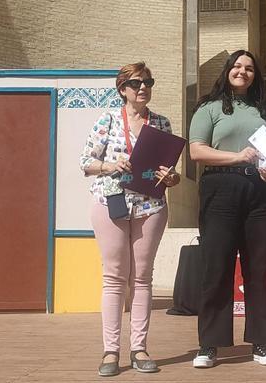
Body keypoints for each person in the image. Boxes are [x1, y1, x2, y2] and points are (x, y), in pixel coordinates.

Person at [79, 62, 180, 377]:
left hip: (150, 205)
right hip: (112, 202)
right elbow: (85, 161)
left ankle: (139, 348)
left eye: (148, 82)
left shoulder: (161, 123)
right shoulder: (107, 121)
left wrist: (172, 178)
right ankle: (111, 351)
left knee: (142, 277)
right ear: (122, 88)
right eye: (136, 83)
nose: (143, 88)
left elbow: (168, 170)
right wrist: (110, 166)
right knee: (114, 277)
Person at [188, 50, 266, 368]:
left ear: (256, 75)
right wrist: (237, 157)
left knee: (258, 270)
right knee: (216, 268)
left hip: (260, 192)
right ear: (228, 71)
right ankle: (209, 345)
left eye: (250, 68)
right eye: (237, 66)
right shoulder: (208, 107)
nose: (243, 71)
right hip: (220, 189)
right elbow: (197, 151)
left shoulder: (265, 110)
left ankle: (262, 343)